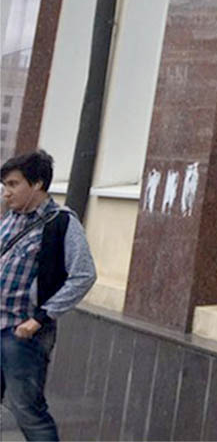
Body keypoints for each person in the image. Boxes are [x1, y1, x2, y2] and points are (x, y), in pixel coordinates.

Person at [0, 149, 97, 442]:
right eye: (4, 185)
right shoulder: (10, 218)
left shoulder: (61, 222)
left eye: (13, 184)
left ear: (38, 184)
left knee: (27, 411)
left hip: (21, 333)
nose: (6, 192)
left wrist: (40, 318)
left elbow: (84, 275)